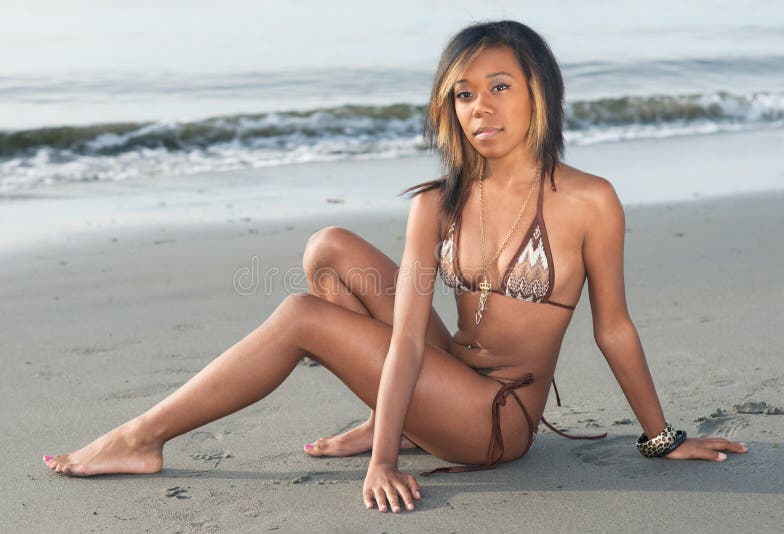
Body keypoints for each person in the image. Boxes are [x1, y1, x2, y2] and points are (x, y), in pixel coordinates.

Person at [43, 20, 747, 513]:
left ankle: (140, 439)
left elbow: (614, 329)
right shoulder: (439, 202)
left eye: (499, 86)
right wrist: (386, 451)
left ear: (540, 91)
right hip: (446, 374)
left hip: (494, 421)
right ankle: (404, 420)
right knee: (330, 248)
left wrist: (662, 440)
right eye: (464, 94)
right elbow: (409, 337)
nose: (480, 107)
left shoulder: (589, 201)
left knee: (298, 316)